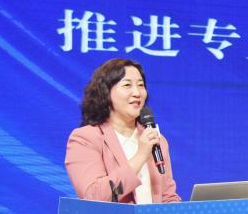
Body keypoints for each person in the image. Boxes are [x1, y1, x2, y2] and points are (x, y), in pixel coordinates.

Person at [64, 58, 180, 203]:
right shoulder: (85, 139)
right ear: (106, 92)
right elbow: (94, 196)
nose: (137, 92)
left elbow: (167, 196)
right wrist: (140, 155)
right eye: (127, 85)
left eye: (141, 85)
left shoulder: (157, 140)